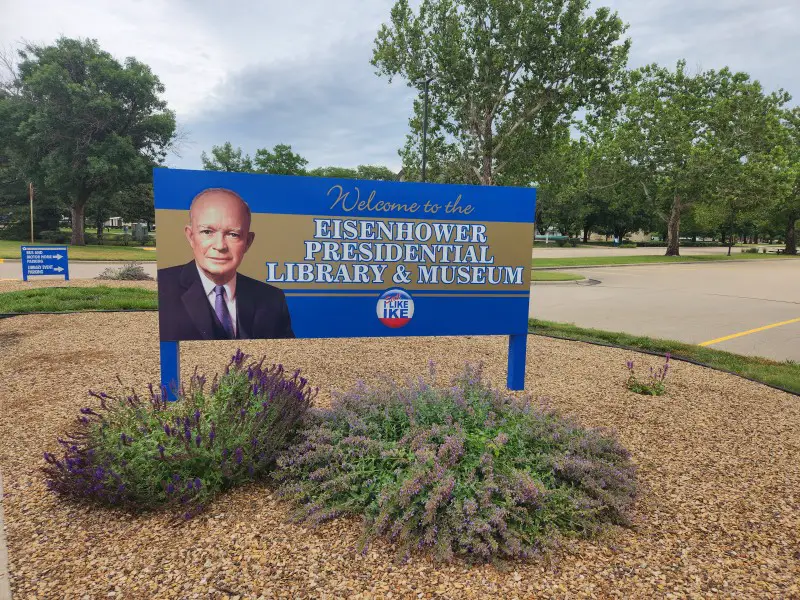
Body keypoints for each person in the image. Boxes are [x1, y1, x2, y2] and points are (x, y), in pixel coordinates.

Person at [157, 187, 295, 341]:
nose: (220, 246)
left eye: (233, 234)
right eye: (207, 232)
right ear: (191, 236)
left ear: (248, 242)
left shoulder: (272, 299)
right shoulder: (161, 288)